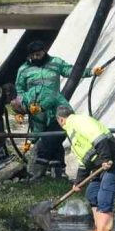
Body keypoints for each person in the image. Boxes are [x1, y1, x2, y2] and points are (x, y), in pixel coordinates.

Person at [15, 40, 102, 179]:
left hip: (56, 107)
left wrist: (91, 72)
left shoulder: (56, 62)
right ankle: (52, 170)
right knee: (41, 137)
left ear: (44, 51)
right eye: (33, 56)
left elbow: (71, 71)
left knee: (56, 135)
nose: (36, 58)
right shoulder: (24, 70)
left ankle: (54, 169)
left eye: (39, 54)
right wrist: (21, 109)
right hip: (36, 110)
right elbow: (19, 91)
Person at [56, 105, 115, 231]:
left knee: (104, 195)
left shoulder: (77, 122)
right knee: (92, 192)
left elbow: (99, 138)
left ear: (60, 120)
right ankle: (99, 229)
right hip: (99, 167)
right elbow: (83, 161)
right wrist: (78, 182)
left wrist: (106, 158)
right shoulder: (71, 130)